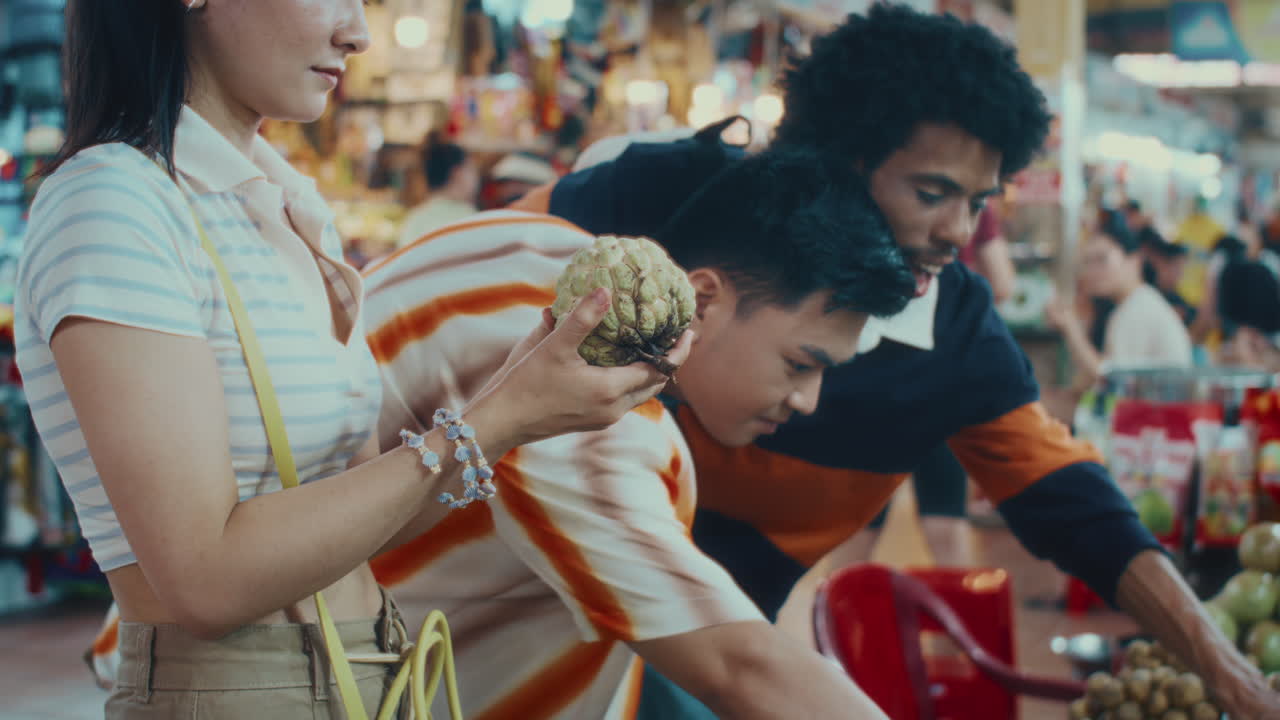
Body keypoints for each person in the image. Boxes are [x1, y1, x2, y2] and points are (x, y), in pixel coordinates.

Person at [510, 4, 1280, 716]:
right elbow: (464, 277)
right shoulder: (655, 197)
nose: (958, 230)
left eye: (978, 202)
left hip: (702, 659)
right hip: (495, 608)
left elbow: (1078, 507)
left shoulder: (957, 338)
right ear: (838, 157)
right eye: (932, 191)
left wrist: (1225, 670)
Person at [25, 2, 687, 716]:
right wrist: (494, 421)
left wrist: (518, 400)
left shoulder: (284, 206)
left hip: (365, 672)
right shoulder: (113, 202)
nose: (359, 34)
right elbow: (204, 583)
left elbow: (358, 518)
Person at [362, 151, 915, 718]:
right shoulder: (581, 392)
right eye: (800, 363)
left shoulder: (542, 248)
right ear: (704, 301)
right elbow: (738, 667)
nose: (808, 400)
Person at [1047, 209, 1193, 386]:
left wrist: (1071, 330)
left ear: (1134, 261)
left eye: (1101, 260)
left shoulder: (1138, 310)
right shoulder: (1134, 304)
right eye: (1087, 262)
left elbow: (1111, 382)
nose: (1091, 272)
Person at [395, 131, 479, 248]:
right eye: (471, 170)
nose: (476, 177)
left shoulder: (413, 221)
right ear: (458, 173)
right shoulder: (472, 220)